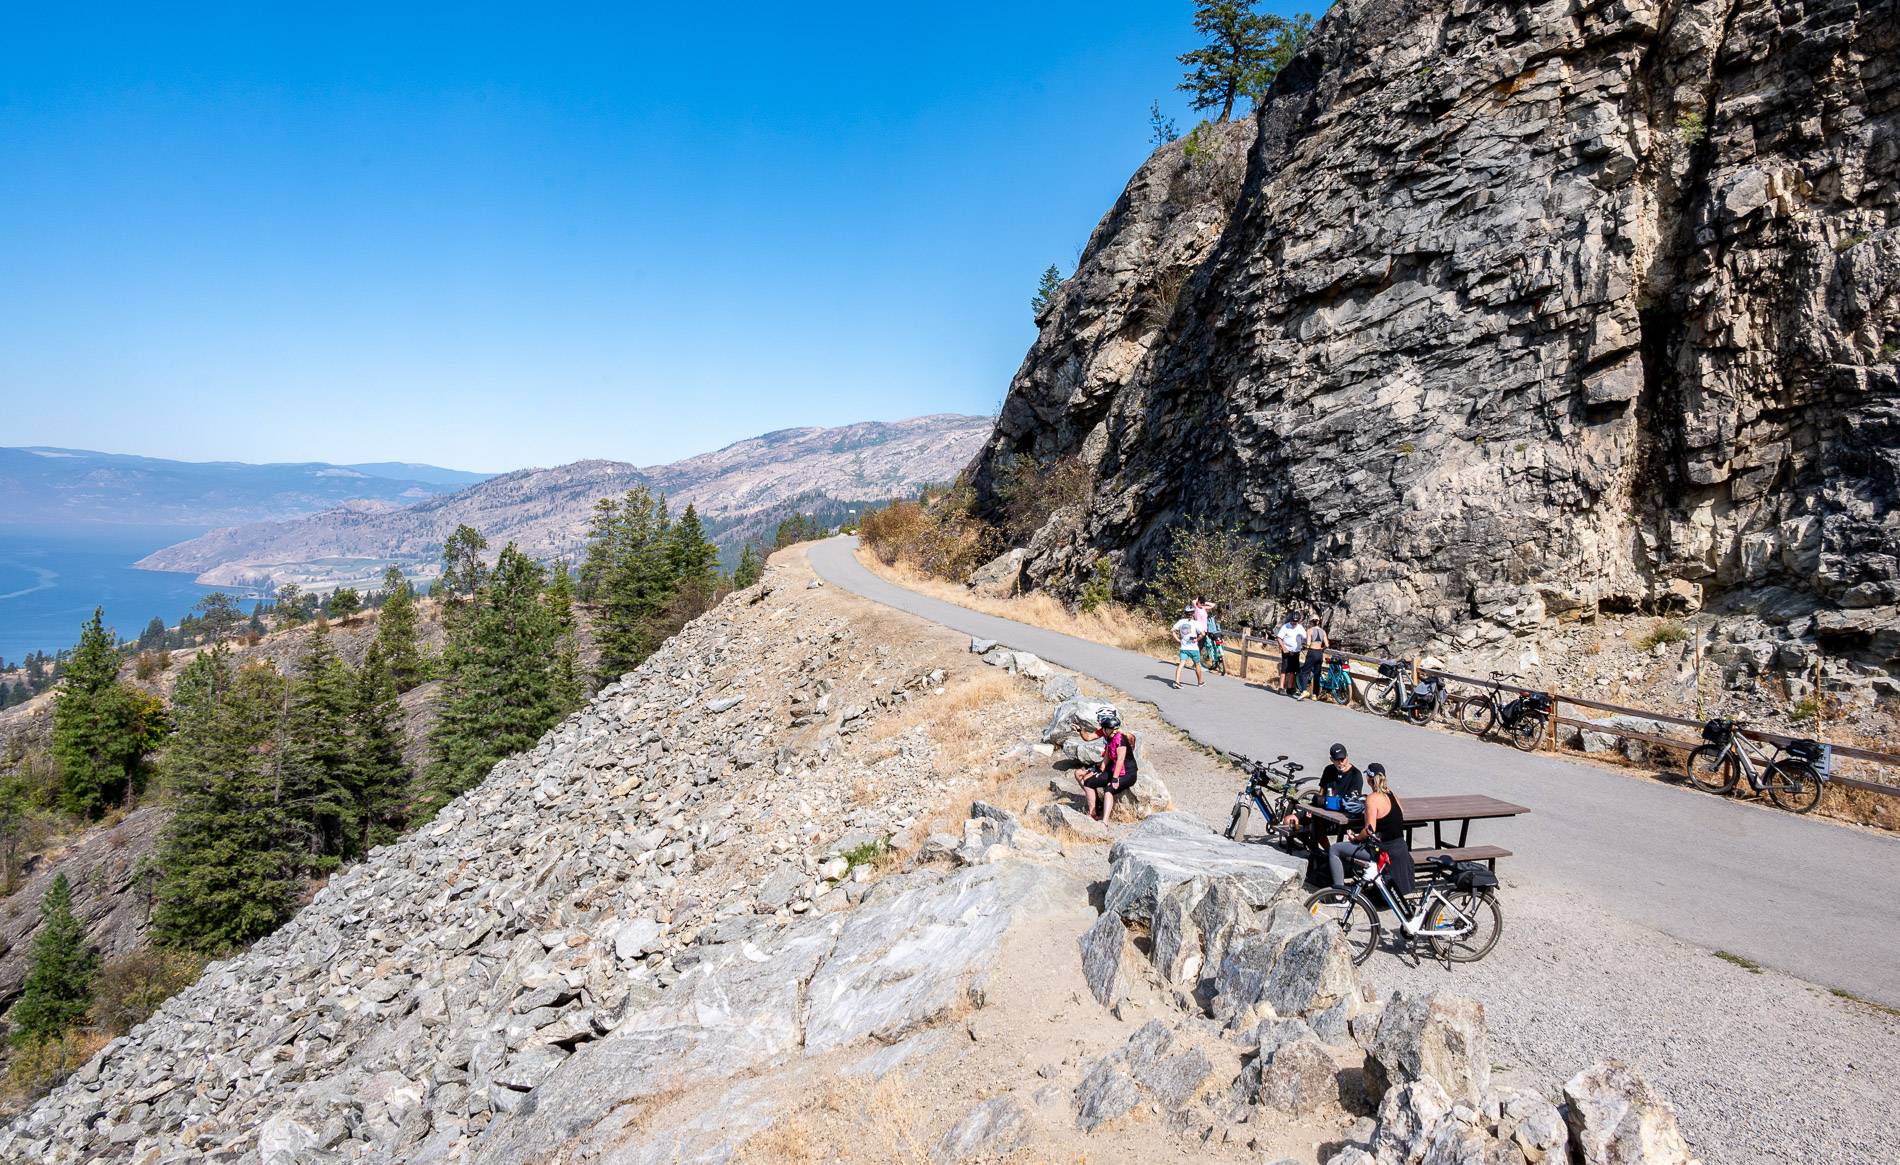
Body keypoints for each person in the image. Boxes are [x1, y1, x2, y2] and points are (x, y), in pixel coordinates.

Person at [1328, 764, 1414, 894]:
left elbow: (1369, 830)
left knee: (1335, 849)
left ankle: (1339, 895)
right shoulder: (1393, 796)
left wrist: (1356, 838)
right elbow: (1398, 817)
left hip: (1384, 851)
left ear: (1369, 779)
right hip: (1400, 848)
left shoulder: (1372, 799)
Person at [1278, 742, 1362, 856]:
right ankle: (1314, 849)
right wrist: (1312, 808)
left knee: (1316, 826)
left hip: (1336, 816)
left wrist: (1325, 803)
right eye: (1337, 760)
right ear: (1331, 759)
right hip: (1320, 810)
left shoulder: (1355, 775)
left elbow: (1351, 804)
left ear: (1347, 757)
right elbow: (1320, 793)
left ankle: (1329, 853)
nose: (1340, 762)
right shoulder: (1329, 770)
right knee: (1289, 821)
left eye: (1342, 759)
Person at [1075, 706, 1139, 821]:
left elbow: (1120, 759)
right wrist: (1080, 730)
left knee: (1087, 779)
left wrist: (1114, 777)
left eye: (1100, 718)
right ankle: (1095, 804)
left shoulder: (1120, 737)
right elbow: (1089, 738)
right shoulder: (1107, 733)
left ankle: (1095, 810)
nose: (1098, 721)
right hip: (1108, 763)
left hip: (1119, 768)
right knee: (1080, 775)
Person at [1171, 606, 1206, 689]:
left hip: (1184, 647)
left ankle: (1177, 681)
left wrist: (1178, 640)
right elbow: (1203, 634)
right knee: (1197, 664)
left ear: (1185, 613)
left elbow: (1172, 630)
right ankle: (1200, 682)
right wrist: (1197, 639)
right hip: (1193, 648)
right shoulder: (1196, 623)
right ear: (1193, 613)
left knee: (1181, 663)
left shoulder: (1181, 622)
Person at [1298, 615, 1331, 700]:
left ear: (1311, 622)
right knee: (1317, 674)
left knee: (1305, 672)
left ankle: (1304, 691)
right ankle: (1315, 695)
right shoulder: (1323, 631)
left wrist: (1306, 646)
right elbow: (1327, 644)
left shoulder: (1310, 630)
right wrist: (1322, 649)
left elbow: (1308, 643)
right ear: (1318, 622)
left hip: (1312, 652)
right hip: (1319, 654)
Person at [1276, 614, 1307, 695]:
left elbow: (1305, 636)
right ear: (1290, 619)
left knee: (1293, 670)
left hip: (1296, 652)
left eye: (1296, 621)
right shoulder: (1285, 626)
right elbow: (1279, 638)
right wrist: (1283, 647)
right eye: (1293, 621)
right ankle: (1281, 687)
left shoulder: (1300, 627)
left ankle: (1290, 688)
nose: (1294, 623)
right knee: (1284, 669)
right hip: (1287, 651)